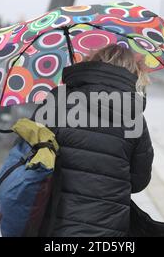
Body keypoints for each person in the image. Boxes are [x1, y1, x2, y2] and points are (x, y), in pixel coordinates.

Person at [37, 44, 154, 237]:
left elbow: (30, 157)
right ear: (132, 73)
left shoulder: (57, 103)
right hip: (110, 232)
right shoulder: (135, 117)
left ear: (91, 64)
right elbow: (140, 181)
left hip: (56, 226)